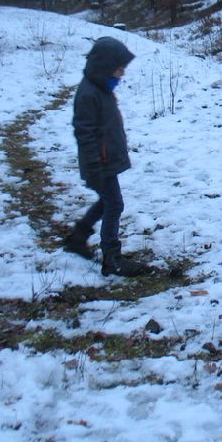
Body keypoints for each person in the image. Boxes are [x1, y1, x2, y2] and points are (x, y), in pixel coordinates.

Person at [63, 36, 151, 277]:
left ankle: (78, 237)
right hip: (99, 165)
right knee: (114, 204)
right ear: (104, 67)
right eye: (119, 68)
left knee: (106, 202)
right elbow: (85, 133)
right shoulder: (89, 94)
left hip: (105, 161)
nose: (122, 73)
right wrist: (95, 166)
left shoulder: (101, 88)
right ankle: (112, 258)